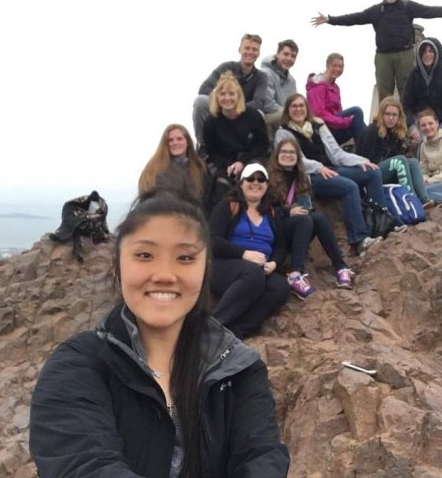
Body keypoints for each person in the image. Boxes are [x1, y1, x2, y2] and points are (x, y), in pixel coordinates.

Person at [29, 191, 290, 477]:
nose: (165, 274)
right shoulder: (78, 366)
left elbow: (261, 458)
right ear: (117, 267)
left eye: (185, 257)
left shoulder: (239, 369)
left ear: (206, 271)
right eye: (145, 255)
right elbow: (83, 466)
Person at [274, 94, 399, 257]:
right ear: (288, 110)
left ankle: (384, 224)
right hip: (310, 176)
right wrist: (318, 168)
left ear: (307, 108)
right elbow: (295, 160)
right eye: (294, 106)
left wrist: (361, 161)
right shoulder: (283, 133)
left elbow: (336, 152)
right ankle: (360, 240)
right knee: (349, 187)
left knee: (372, 172)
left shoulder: (318, 124)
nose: (298, 109)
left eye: (301, 106)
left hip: (332, 168)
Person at [311, 0, 442, 101]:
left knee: (406, 91)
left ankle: (406, 126)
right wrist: (330, 19)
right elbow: (353, 18)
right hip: (383, 56)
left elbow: (431, 11)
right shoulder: (376, 11)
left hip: (404, 54)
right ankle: (384, 128)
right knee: (384, 93)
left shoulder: (408, 7)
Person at [208, 163, 290, 338]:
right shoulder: (228, 206)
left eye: (261, 179)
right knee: (253, 273)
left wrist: (274, 263)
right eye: (250, 179)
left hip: (259, 269)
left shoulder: (272, 213)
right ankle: (213, 326)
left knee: (280, 287)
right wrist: (244, 254)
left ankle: (237, 332)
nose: (256, 183)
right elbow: (213, 240)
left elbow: (281, 246)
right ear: (241, 183)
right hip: (224, 266)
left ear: (267, 185)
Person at [268, 139, 356, 294]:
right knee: (304, 219)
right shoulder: (268, 178)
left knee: (319, 218)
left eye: (291, 152)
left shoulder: (302, 178)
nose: (287, 155)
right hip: (276, 228)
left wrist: (303, 210)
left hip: (298, 225)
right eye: (284, 152)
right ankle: (296, 274)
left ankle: (341, 267)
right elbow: (265, 210)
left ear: (297, 156)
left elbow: (306, 205)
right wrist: (288, 211)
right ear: (276, 155)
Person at [192, 33, 269, 149]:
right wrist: (222, 103)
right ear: (240, 49)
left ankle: (255, 150)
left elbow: (259, 102)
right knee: (200, 101)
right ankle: (203, 144)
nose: (250, 52)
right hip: (221, 110)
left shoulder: (261, 77)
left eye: (254, 49)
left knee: (260, 114)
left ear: (259, 53)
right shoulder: (226, 67)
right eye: (247, 48)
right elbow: (204, 88)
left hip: (244, 116)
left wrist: (235, 108)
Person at [203, 71, 270, 198]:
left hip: (251, 159)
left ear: (238, 96)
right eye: (222, 94)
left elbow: (263, 145)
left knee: (255, 179)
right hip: (225, 164)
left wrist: (242, 161)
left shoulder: (253, 116)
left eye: (231, 94)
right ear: (217, 97)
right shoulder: (211, 122)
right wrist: (228, 164)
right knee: (221, 188)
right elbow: (212, 152)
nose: (227, 98)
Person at [357, 97, 433, 207]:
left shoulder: (397, 132)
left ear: (399, 117)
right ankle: (411, 201)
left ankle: (424, 199)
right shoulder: (372, 130)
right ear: (381, 114)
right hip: (368, 175)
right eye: (387, 114)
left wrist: (408, 146)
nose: (391, 118)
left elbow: (396, 158)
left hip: (385, 173)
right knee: (400, 161)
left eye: (394, 115)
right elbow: (365, 159)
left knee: (412, 162)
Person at [138, 124, 214, 212]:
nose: (175, 143)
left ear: (188, 142)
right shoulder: (154, 170)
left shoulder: (200, 168)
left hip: (194, 218)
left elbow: (207, 199)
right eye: (170, 140)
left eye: (179, 139)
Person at [402, 37, 442, 144]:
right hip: (421, 118)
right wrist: (411, 125)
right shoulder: (414, 74)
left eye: (431, 51)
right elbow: (406, 103)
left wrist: (440, 115)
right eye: (424, 51)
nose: (427, 54)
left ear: (438, 53)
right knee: (423, 142)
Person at [306, 53, 366, 146]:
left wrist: (346, 121)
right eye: (334, 66)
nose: (338, 69)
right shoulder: (317, 86)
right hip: (322, 130)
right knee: (356, 111)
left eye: (341, 66)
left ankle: (368, 151)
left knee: (360, 123)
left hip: (334, 126)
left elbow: (339, 110)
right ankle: (364, 152)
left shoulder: (335, 87)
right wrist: (343, 122)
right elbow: (318, 114)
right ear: (327, 66)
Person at [260, 39, 299, 135]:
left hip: (285, 115)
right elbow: (267, 104)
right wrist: (290, 114)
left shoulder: (292, 81)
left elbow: (295, 102)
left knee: (315, 120)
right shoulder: (265, 74)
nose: (289, 58)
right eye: (286, 54)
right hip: (268, 116)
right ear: (277, 54)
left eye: (293, 56)